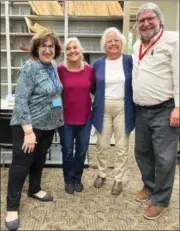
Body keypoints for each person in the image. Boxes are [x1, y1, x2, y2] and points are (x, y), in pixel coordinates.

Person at [5, 30, 63, 231]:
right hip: (27, 126)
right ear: (36, 48)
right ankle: (12, 207)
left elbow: (54, 93)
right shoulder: (29, 67)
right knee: (21, 166)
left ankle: (35, 189)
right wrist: (28, 132)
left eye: (51, 46)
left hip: (47, 125)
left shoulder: (53, 65)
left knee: (39, 160)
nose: (48, 50)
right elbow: (21, 99)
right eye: (44, 46)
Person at [132, 3, 180, 220]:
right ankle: (150, 186)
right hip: (141, 111)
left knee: (164, 158)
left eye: (150, 18)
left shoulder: (173, 40)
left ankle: (160, 200)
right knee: (142, 152)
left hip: (165, 109)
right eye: (141, 20)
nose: (146, 23)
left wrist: (178, 107)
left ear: (159, 20)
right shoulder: (135, 46)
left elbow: (178, 75)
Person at [92, 27, 135, 195]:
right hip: (103, 107)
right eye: (109, 41)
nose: (113, 43)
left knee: (122, 146)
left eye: (116, 40)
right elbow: (94, 87)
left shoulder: (129, 61)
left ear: (122, 43)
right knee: (102, 144)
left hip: (124, 107)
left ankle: (118, 178)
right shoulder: (97, 63)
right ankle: (102, 173)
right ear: (105, 45)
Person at [57, 37, 95, 194]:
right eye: (68, 48)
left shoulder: (90, 70)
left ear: (81, 50)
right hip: (65, 119)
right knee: (67, 151)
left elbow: (94, 90)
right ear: (65, 52)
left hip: (85, 118)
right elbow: (55, 93)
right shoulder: (60, 70)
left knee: (81, 150)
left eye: (75, 47)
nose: (72, 50)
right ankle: (68, 180)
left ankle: (77, 179)